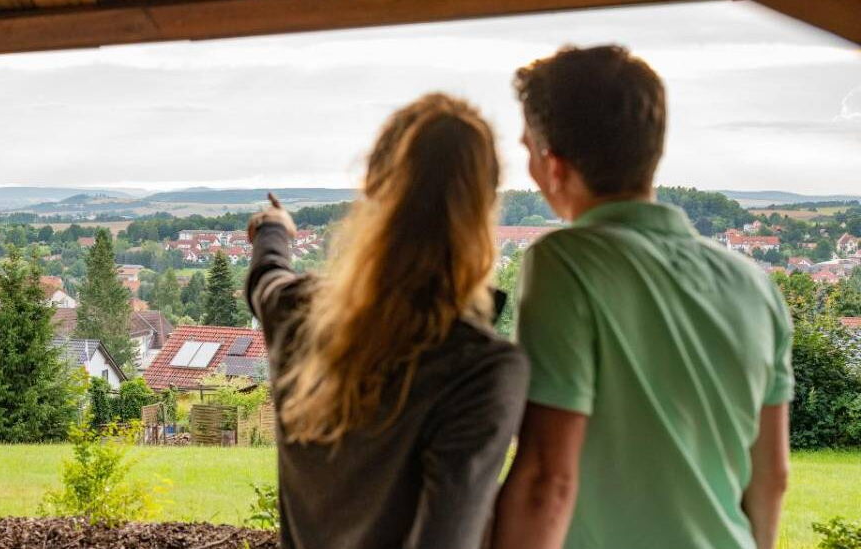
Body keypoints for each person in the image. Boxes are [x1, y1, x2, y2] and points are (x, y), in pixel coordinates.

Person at [492, 45, 793, 549]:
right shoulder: (754, 283)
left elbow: (548, 477)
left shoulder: (566, 260)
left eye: (527, 150)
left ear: (553, 164)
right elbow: (772, 478)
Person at [246, 93, 528, 549]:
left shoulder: (298, 314)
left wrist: (274, 228)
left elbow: (266, 276)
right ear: (484, 207)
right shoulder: (481, 371)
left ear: (373, 187)